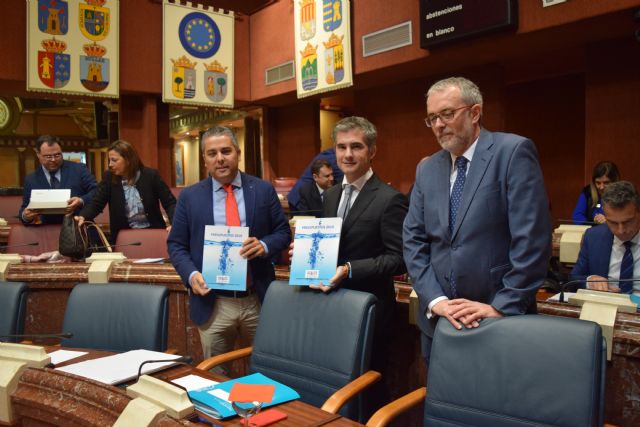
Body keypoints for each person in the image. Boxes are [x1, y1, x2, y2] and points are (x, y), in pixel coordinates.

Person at [403, 77, 552, 360]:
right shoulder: (427, 169)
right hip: (439, 322)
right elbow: (413, 241)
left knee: (495, 403)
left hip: (498, 320)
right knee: (441, 402)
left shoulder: (512, 153)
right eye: (432, 118)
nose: (438, 124)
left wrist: (501, 306)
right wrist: (436, 301)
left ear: (474, 112)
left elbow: (532, 240)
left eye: (447, 114)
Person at [167, 126, 291, 370]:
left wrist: (265, 245)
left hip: (257, 298)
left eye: (226, 151)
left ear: (238, 152)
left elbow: (283, 233)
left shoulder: (263, 190)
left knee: (265, 373)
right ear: (204, 159)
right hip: (214, 302)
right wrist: (191, 275)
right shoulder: (190, 197)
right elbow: (176, 244)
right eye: (212, 153)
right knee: (216, 376)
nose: (220, 158)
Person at [310, 116, 408, 412]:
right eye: (341, 147)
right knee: (336, 390)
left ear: (372, 151)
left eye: (356, 146)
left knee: (368, 392)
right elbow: (328, 246)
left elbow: (399, 258)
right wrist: (307, 253)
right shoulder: (330, 196)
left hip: (370, 312)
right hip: (332, 307)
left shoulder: (390, 199)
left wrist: (351, 269)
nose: (348, 154)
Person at [77, 140, 176, 244]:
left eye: (114, 160)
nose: (110, 164)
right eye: (109, 160)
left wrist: (175, 224)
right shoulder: (109, 177)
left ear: (128, 160)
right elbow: (96, 203)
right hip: (123, 237)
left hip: (153, 234)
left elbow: (170, 203)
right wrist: (83, 216)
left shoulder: (151, 176)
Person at [571, 181, 640, 294]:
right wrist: (590, 281)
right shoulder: (593, 237)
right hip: (605, 305)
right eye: (612, 223)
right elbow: (575, 277)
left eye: (628, 222)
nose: (620, 230)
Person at [20, 135, 97, 225]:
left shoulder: (79, 170)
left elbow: (97, 191)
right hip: (47, 231)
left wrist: (81, 201)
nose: (53, 160)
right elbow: (25, 208)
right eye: (48, 156)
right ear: (38, 155)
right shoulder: (31, 179)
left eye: (57, 155)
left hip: (79, 228)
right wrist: (25, 216)